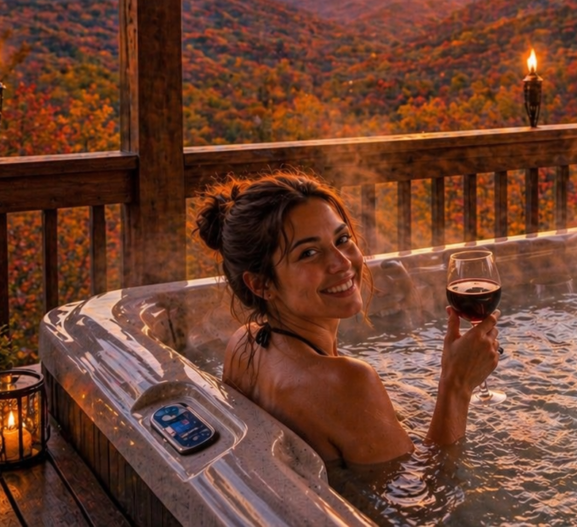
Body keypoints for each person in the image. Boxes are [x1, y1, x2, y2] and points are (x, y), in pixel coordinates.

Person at [194, 170, 500, 466]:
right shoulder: (347, 382)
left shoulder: (245, 343)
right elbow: (421, 507)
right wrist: (456, 385)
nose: (342, 263)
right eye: (308, 253)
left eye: (341, 240)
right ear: (261, 284)